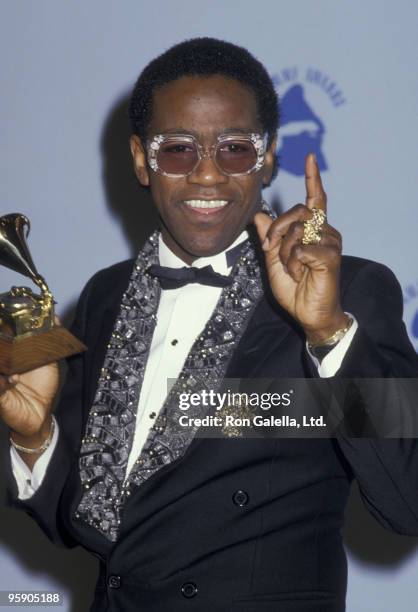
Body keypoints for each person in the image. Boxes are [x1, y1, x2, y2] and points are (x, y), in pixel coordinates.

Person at [1, 38, 417, 612]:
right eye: (176, 150)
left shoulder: (349, 290)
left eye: (235, 149)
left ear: (267, 158)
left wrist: (327, 332)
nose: (206, 176)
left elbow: (407, 499)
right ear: (141, 161)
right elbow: (85, 524)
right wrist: (33, 439)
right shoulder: (103, 295)